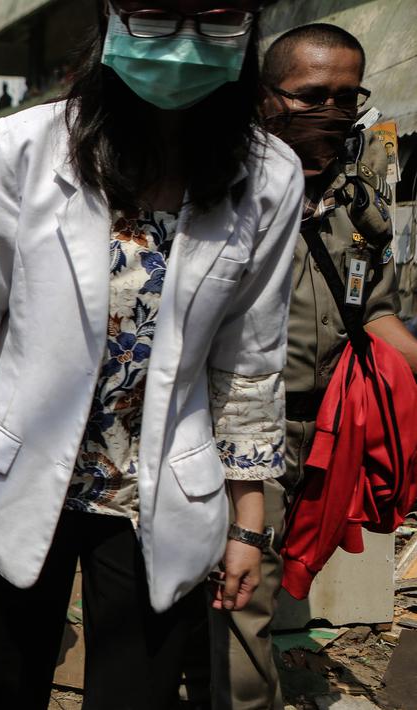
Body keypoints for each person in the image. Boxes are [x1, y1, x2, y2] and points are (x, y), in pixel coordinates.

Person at [0, 2, 304, 707]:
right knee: (6, 687)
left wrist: (247, 520)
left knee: (136, 694)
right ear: (112, 16)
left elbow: (248, 358)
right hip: (17, 466)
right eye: (158, 14)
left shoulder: (269, 177)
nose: (184, 45)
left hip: (155, 492)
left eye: (215, 18)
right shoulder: (24, 146)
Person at [218, 24, 417, 709]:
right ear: (264, 97)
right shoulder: (220, 193)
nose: (331, 111)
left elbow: (374, 314)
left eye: (344, 96)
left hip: (323, 434)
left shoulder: (356, 207)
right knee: (244, 595)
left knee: (263, 586)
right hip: (236, 433)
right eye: (310, 96)